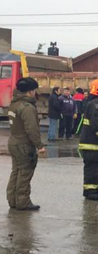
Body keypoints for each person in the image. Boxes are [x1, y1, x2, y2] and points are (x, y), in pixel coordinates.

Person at [6, 77, 46, 211]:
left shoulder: (14, 103)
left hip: (14, 142)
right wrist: (39, 146)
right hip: (24, 144)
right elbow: (31, 129)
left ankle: (13, 200)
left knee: (16, 172)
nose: (35, 93)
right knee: (25, 173)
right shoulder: (27, 107)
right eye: (34, 90)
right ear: (29, 92)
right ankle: (23, 202)